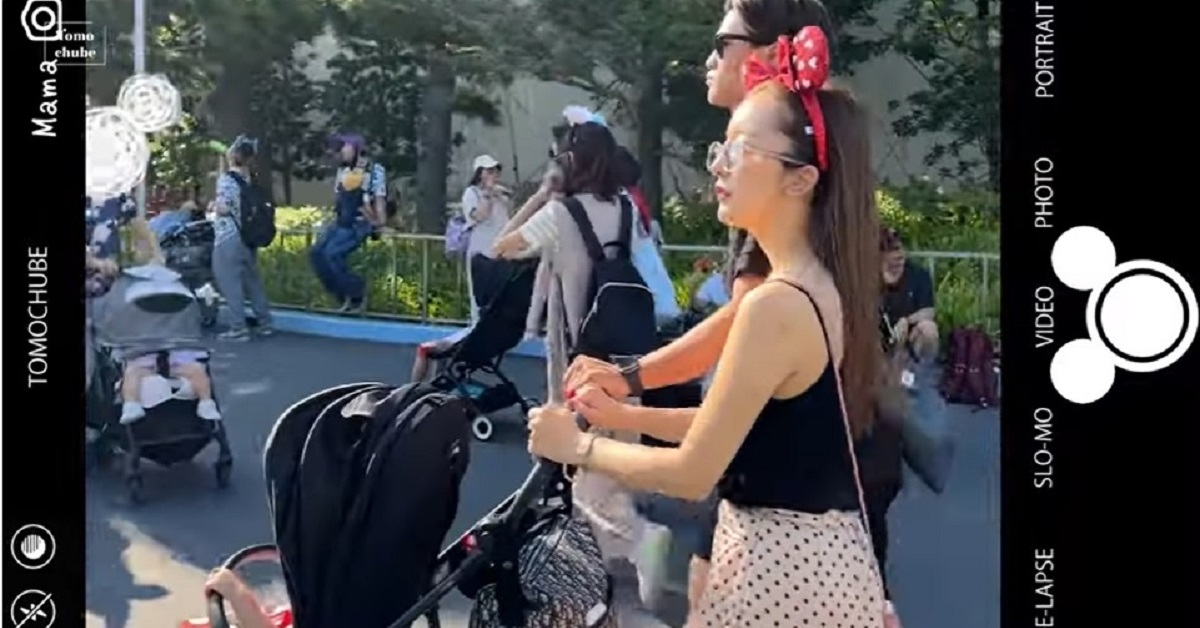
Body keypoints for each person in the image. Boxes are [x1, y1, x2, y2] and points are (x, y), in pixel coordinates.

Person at [532, 27, 887, 627]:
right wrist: (623, 415)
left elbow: (695, 469)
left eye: (740, 150)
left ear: (801, 179)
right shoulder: (816, 282)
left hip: (778, 573)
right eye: (721, 148)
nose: (718, 165)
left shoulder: (775, 304)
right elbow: (735, 424)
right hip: (817, 563)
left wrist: (577, 447)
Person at [309, 133, 389, 313]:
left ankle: (356, 292)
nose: (338, 154)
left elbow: (379, 197)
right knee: (316, 253)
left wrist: (380, 222)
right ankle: (342, 295)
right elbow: (339, 197)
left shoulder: (374, 170)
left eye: (341, 150)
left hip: (359, 221)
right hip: (341, 220)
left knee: (332, 254)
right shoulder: (343, 170)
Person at [211, 136, 275, 341]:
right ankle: (265, 323)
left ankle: (238, 327)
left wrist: (214, 207)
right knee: (252, 282)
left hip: (228, 237)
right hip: (248, 238)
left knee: (230, 282)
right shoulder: (250, 179)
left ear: (234, 155)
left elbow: (223, 207)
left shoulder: (227, 180)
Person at [460, 154, 513, 322]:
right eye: (489, 171)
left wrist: (502, 196)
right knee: (480, 296)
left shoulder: (501, 193)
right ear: (479, 173)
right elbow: (479, 215)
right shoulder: (471, 193)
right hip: (481, 252)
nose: (493, 175)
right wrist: (488, 195)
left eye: (495, 171)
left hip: (501, 250)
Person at [881, 226, 938, 352]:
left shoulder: (918, 274)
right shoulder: (868, 277)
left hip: (909, 335)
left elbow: (929, 311)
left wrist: (906, 321)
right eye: (890, 250)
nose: (897, 256)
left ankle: (922, 364)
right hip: (878, 335)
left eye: (899, 249)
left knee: (928, 328)